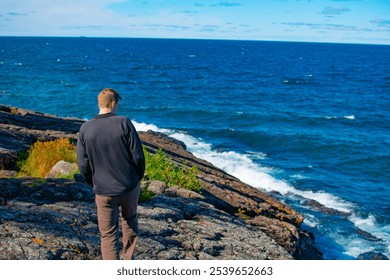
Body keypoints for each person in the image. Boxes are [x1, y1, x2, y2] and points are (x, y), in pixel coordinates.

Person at [76, 88, 145, 260]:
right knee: (130, 222)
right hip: (128, 187)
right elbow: (138, 156)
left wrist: (93, 183)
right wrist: (136, 179)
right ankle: (128, 263)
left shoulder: (85, 128)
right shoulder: (124, 122)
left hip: (103, 190)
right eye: (118, 104)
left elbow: (83, 164)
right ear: (113, 103)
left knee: (108, 234)